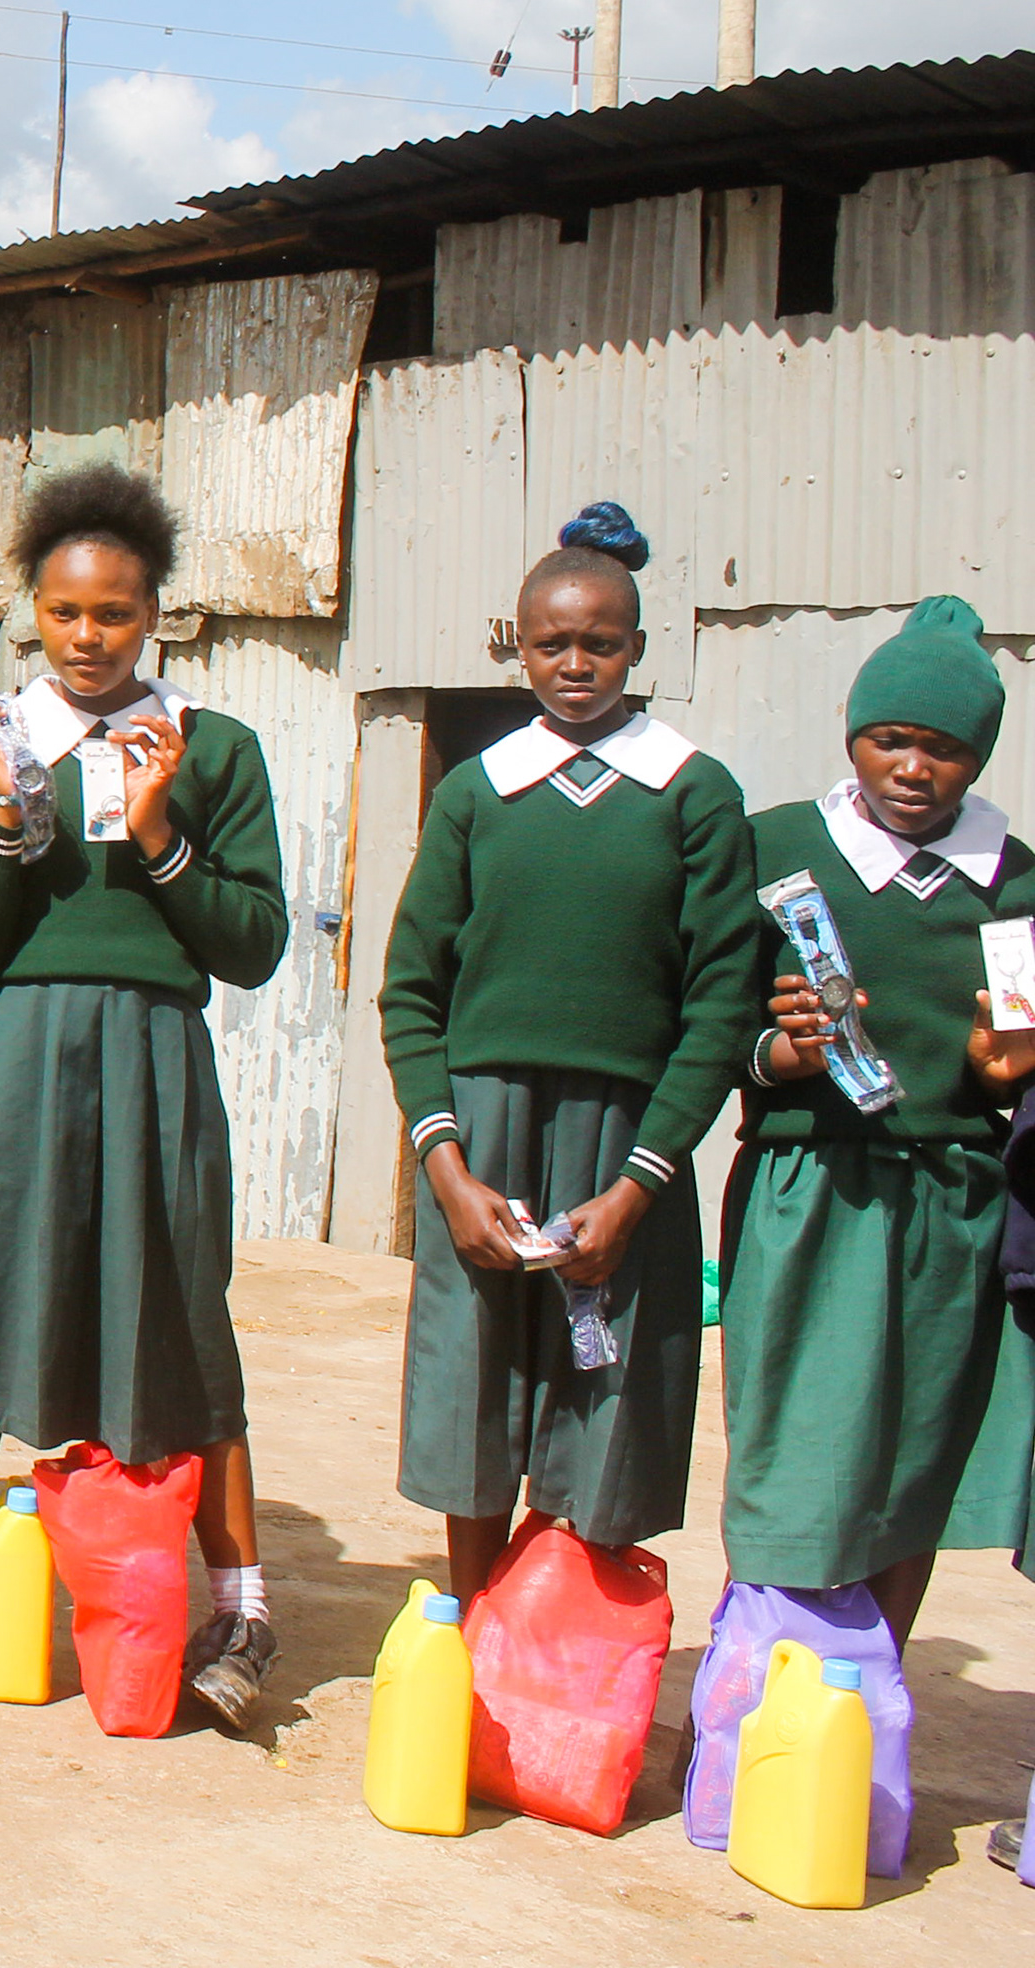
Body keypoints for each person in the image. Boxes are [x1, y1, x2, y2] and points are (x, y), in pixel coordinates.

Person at [0, 466, 289, 1717]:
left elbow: (255, 944)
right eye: (64, 615)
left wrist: (163, 836)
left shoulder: (215, 749)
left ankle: (244, 1611)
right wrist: (9, 814)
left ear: (154, 614)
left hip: (154, 1062)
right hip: (8, 1061)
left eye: (115, 613)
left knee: (177, 1325)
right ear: (31, 617)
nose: (89, 637)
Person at [378, 503, 765, 1599]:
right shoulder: (477, 793)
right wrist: (446, 1174)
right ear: (517, 642)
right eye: (553, 642)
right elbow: (412, 993)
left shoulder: (692, 795)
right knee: (475, 1394)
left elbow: (720, 1000)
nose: (578, 663)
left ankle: (557, 1646)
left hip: (625, 1145)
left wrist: (641, 1188)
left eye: (602, 642)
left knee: (603, 1400)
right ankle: (464, 1630)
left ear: (639, 648)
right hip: (482, 1135)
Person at [730, 598, 1032, 1643]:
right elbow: (707, 1031)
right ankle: (760, 1685)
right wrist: (783, 1054)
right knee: (796, 1449)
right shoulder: (772, 848)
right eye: (890, 738)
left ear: (979, 758)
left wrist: (1001, 1075)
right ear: (850, 735)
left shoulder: (1018, 885)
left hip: (952, 1205)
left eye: (945, 750)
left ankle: (873, 1683)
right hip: (808, 1188)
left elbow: (1018, 1061)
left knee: (916, 1456)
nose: (913, 767)